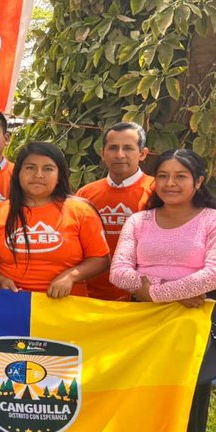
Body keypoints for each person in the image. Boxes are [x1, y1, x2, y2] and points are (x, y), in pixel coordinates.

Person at [110, 149, 216, 432]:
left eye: (180, 176)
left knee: (189, 403)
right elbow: (119, 271)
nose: (170, 183)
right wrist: (163, 293)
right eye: (162, 175)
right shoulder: (139, 221)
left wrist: (160, 290)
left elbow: (215, 273)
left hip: (193, 324)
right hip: (145, 322)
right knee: (144, 399)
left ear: (198, 181)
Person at [0, 142, 110, 298]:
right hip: (12, 305)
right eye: (30, 167)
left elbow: (101, 259)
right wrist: (0, 280)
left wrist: (71, 276)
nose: (38, 175)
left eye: (48, 169)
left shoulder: (81, 211)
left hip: (67, 306)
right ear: (18, 173)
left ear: (59, 176)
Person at [77, 122, 154, 301]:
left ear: (143, 154)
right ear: (103, 154)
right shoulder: (85, 194)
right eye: (113, 148)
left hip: (141, 299)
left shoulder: (157, 192)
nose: (120, 155)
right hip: (91, 297)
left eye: (128, 148)